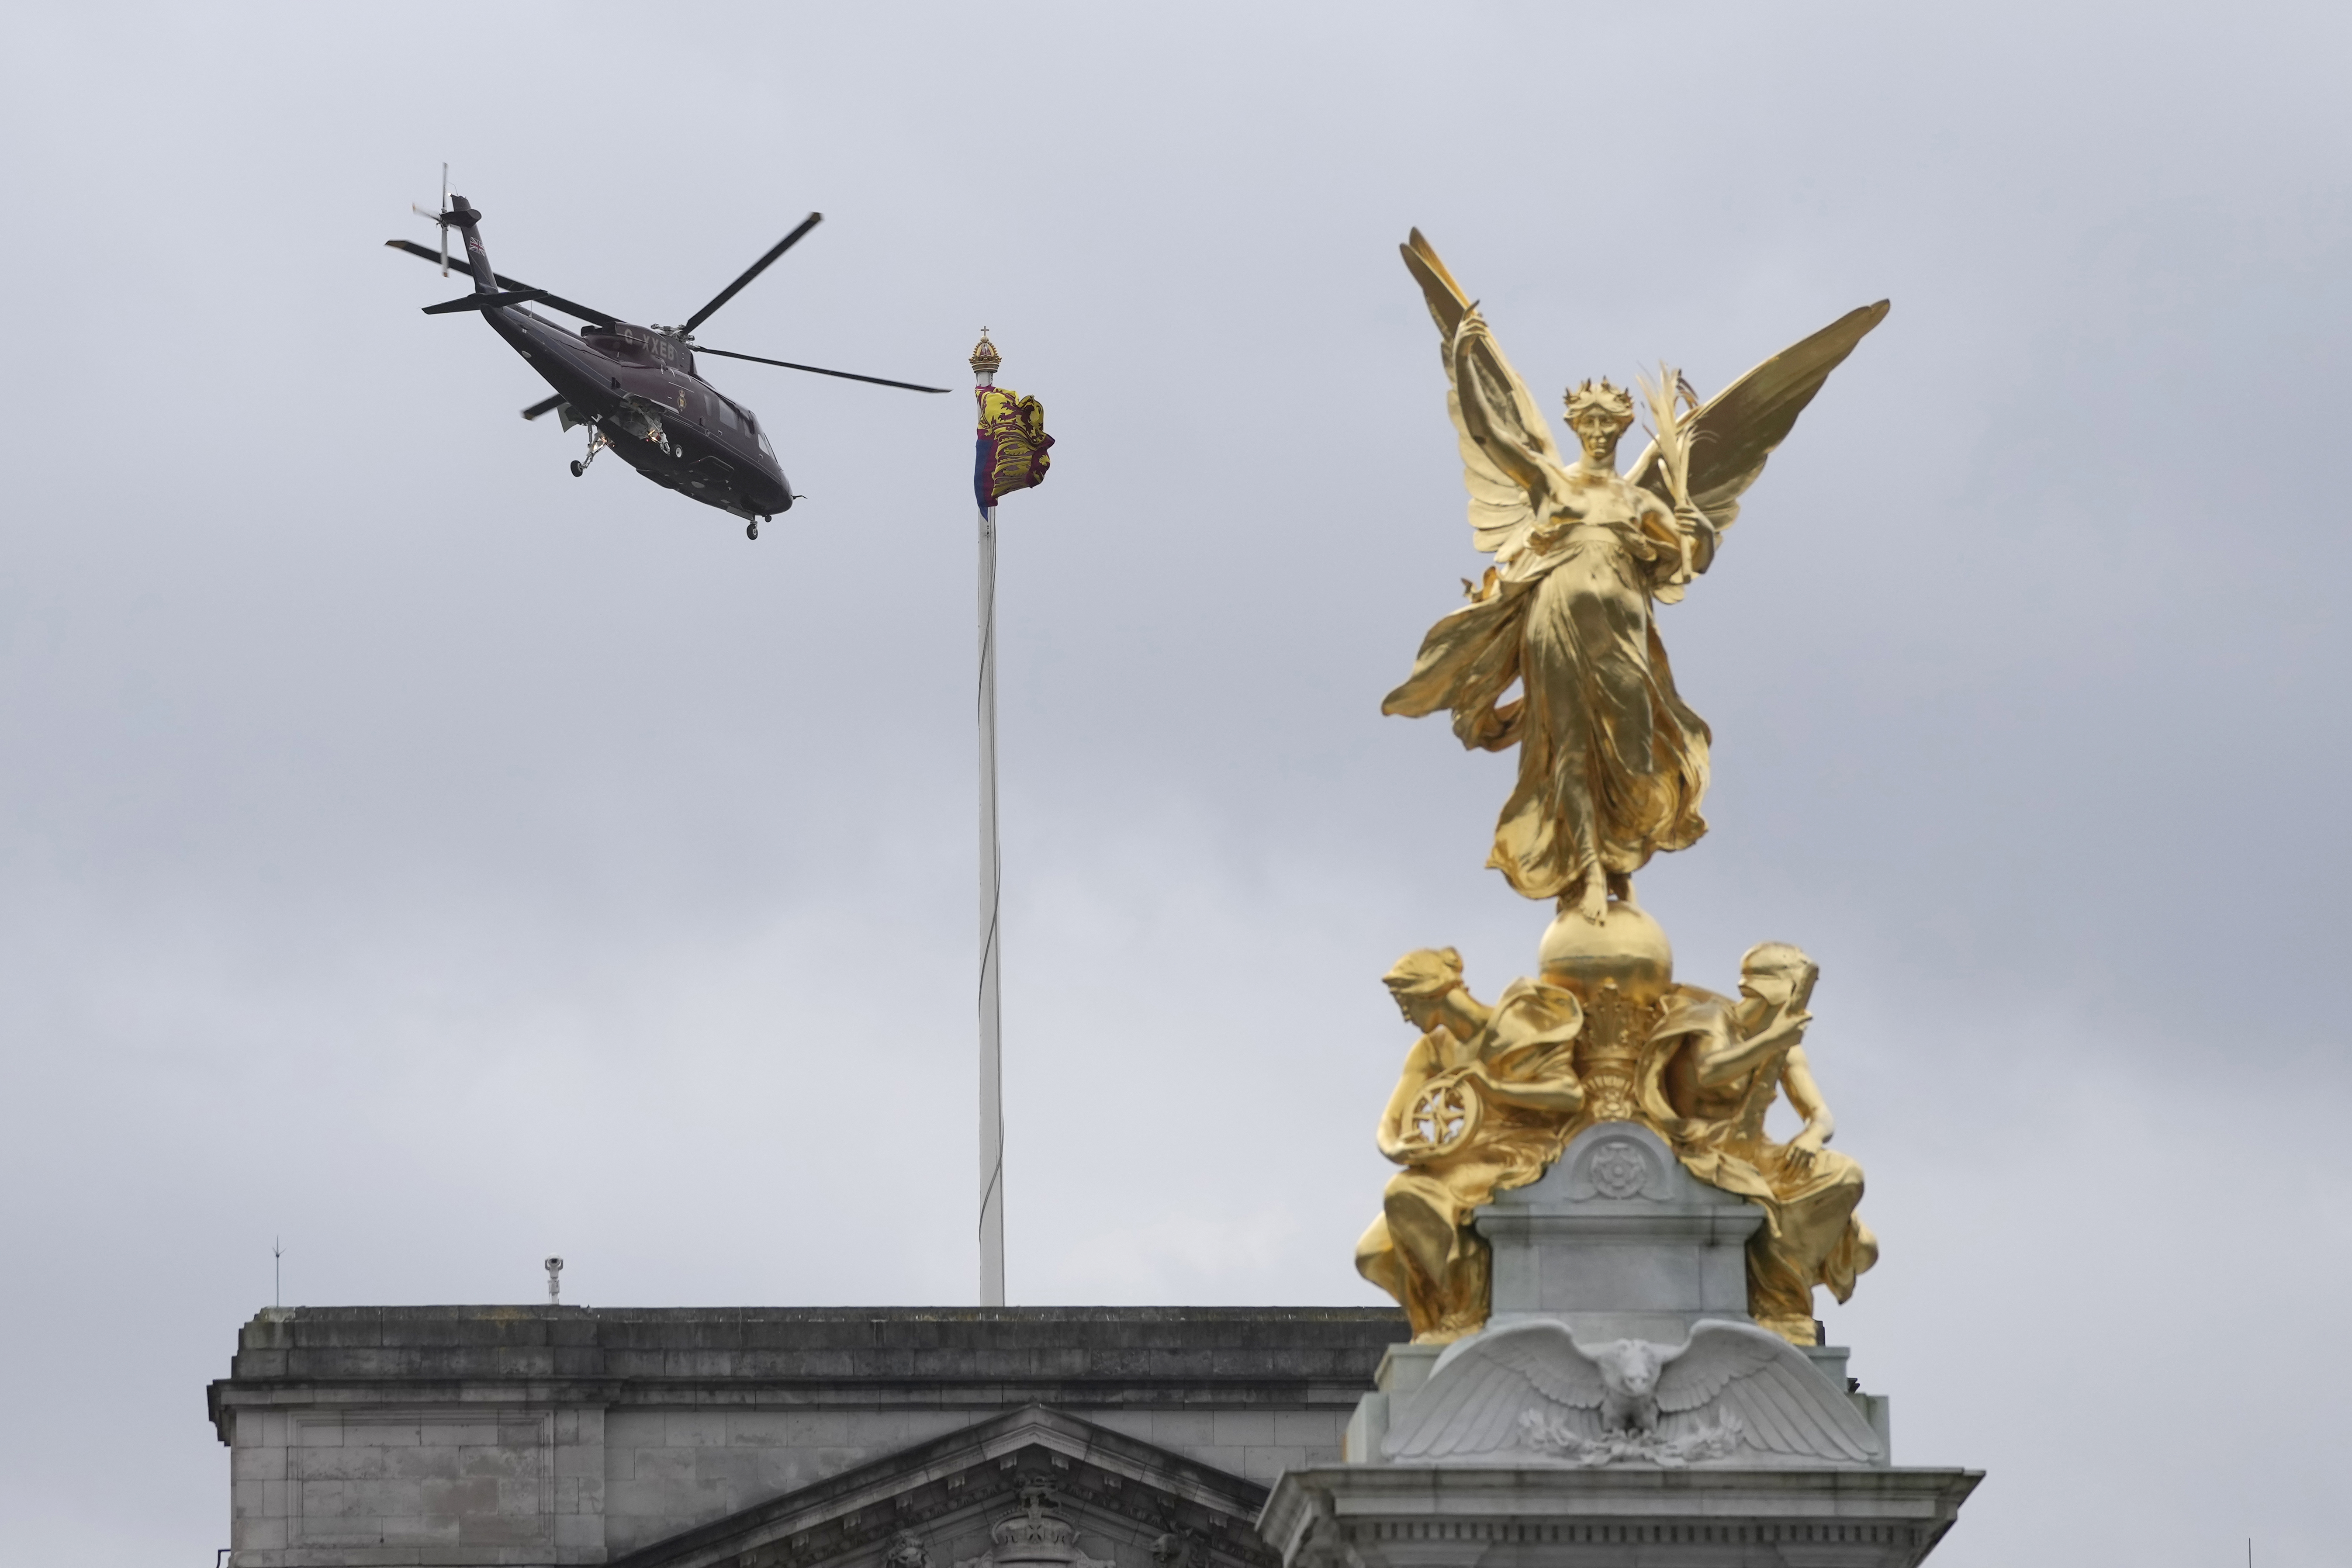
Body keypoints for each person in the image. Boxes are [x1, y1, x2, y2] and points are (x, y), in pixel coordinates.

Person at [1384, 376, 1714, 924]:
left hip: (1623, 633)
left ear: (1624, 427)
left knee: (1633, 752)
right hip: (1555, 622)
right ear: (1573, 427)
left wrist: (1696, 527)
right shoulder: (1553, 488)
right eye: (1588, 423)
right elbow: (1491, 436)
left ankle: (1619, 857)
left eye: (1608, 423)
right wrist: (1467, 363)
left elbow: (1691, 561)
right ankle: (1589, 868)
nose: (1598, 432)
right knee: (1570, 751)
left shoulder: (1639, 501)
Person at [1639, 942, 1877, 1345]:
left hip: (1757, 1153)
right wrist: (1773, 1041)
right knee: (1765, 1202)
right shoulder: (1714, 1019)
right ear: (1775, 988)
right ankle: (1778, 1302)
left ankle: (1783, 1291)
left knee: (1855, 1213)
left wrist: (1812, 1134)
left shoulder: (1787, 1044)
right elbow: (1710, 1071)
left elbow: (1820, 1114)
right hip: (1698, 1151)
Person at [1354, 949, 1585, 1342]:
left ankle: (1465, 1317)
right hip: (1459, 1157)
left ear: (1430, 992)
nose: (1405, 1016)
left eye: (1405, 1003)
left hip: (1521, 1151)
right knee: (1375, 1253)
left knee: (1406, 1190)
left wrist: (1494, 1087)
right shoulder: (1432, 1050)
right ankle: (1439, 1318)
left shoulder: (1515, 1023)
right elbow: (1391, 1121)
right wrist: (1398, 1149)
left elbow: (1569, 1095)